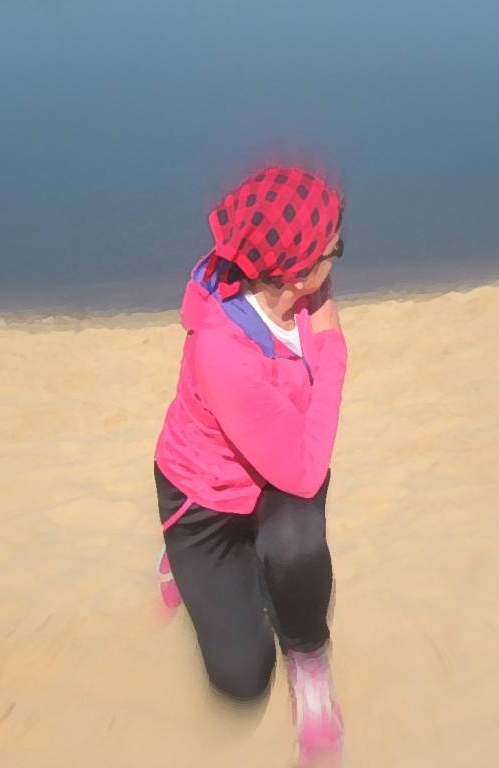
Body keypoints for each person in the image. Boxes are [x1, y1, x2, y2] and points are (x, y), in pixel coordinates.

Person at [153, 165, 348, 763]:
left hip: (275, 471)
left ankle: (309, 661)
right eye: (334, 251)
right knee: (241, 682)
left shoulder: (301, 289)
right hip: (204, 499)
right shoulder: (224, 349)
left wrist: (321, 312)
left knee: (299, 546)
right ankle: (180, 559)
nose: (337, 259)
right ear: (293, 273)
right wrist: (336, 350)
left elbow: (297, 474)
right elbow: (308, 469)